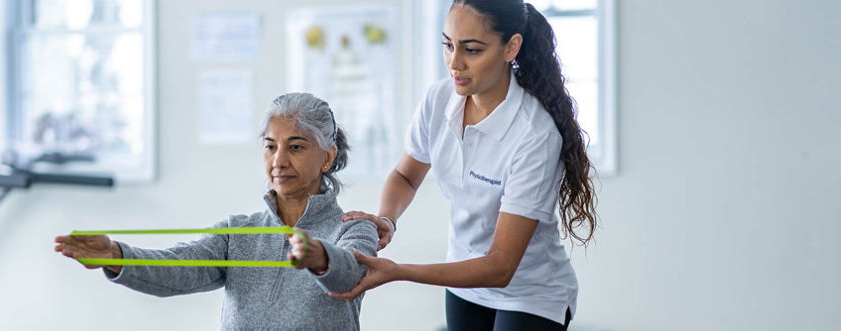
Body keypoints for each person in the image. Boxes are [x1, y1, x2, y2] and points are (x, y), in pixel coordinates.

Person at [333, 1, 599, 330]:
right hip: (465, 280)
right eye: (448, 45)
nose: (454, 63)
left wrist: (398, 271)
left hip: (531, 292)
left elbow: (501, 266)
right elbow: (406, 175)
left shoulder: (534, 135)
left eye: (472, 50)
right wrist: (386, 218)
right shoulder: (439, 99)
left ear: (510, 47)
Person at [54, 93, 378, 330]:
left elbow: (350, 275)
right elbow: (179, 268)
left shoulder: (354, 228)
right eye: (270, 146)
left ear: (327, 156)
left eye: (295, 147)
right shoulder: (237, 232)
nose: (278, 161)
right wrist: (116, 255)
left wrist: (320, 257)